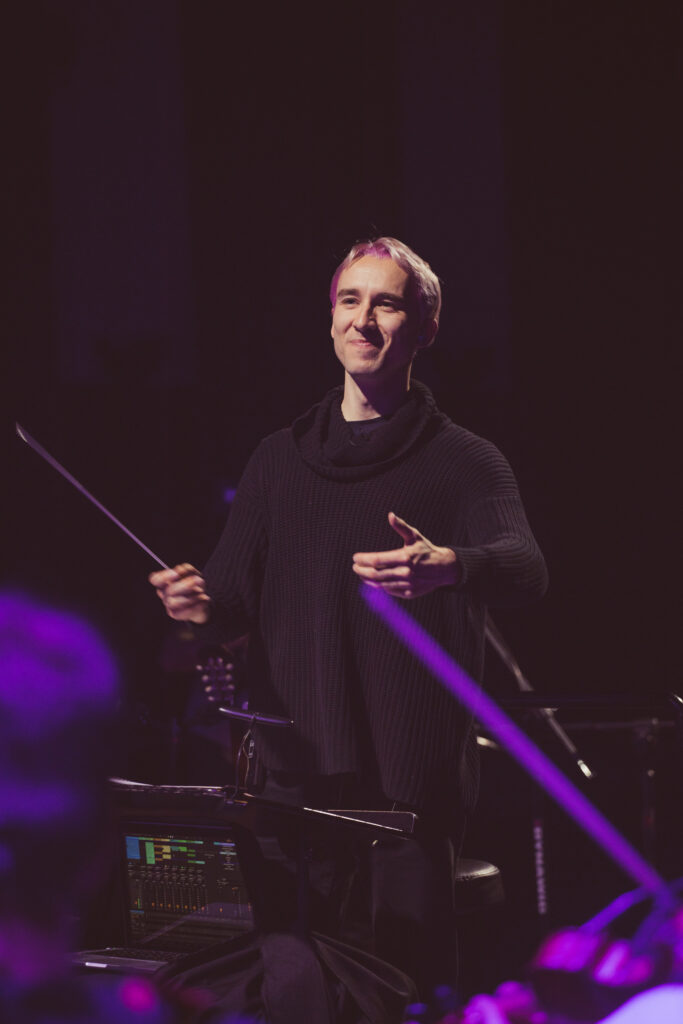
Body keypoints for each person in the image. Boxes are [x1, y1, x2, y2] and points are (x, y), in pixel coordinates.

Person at [150, 237, 548, 995]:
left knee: (404, 994)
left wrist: (449, 565)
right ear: (330, 315)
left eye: (386, 303)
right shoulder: (277, 459)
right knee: (292, 993)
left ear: (424, 328)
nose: (363, 320)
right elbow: (226, 601)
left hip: (405, 789)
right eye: (349, 300)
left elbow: (526, 568)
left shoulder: (465, 460)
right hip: (290, 781)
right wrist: (194, 604)